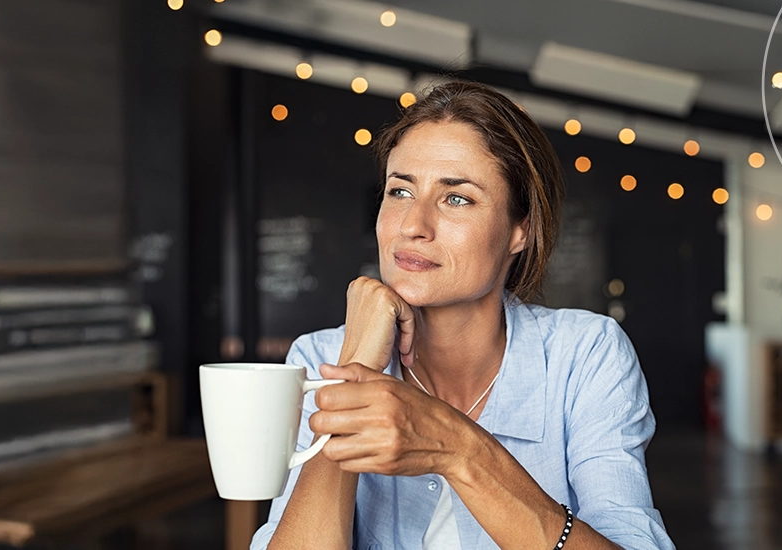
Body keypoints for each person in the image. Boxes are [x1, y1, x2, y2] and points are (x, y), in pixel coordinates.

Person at [251, 81, 674, 550]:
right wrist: (356, 371)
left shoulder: (586, 355)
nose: (413, 226)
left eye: (457, 198)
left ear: (521, 229)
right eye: (399, 192)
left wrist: (460, 450)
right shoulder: (320, 357)